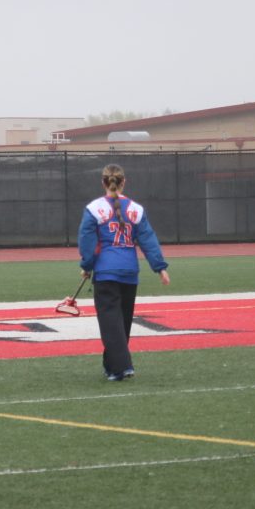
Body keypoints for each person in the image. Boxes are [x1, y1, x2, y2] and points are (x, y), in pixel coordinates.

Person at [77, 163, 170, 381]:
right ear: (123, 182)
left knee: (111, 324)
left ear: (103, 182)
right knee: (123, 322)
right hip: (129, 273)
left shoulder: (93, 209)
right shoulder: (136, 209)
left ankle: (121, 367)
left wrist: (86, 266)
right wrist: (160, 268)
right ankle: (111, 366)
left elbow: (87, 241)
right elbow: (148, 240)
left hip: (106, 273)